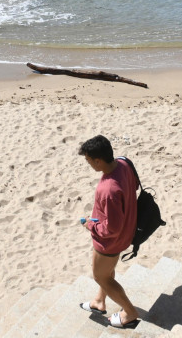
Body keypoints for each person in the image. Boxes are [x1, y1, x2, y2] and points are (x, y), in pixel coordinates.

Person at [77, 135, 140, 329]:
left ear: (98, 160)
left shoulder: (109, 190)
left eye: (88, 160)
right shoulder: (123, 163)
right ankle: (99, 301)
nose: (88, 164)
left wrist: (90, 225)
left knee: (101, 276)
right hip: (127, 231)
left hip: (111, 242)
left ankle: (129, 312)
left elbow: (111, 228)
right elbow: (135, 185)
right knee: (107, 270)